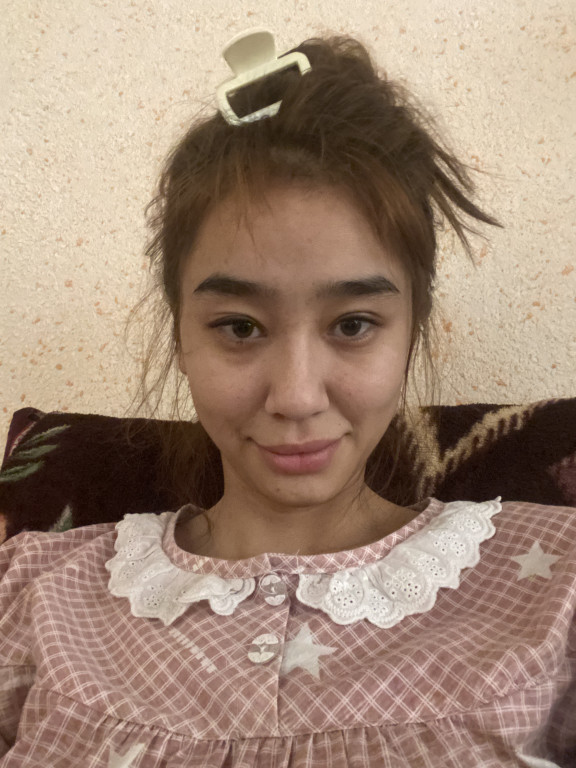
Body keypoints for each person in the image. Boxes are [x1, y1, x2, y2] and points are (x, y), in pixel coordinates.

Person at [1, 29, 575, 768]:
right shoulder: (35, 597)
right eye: (240, 327)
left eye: (353, 325)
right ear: (180, 334)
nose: (297, 396)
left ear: (412, 330)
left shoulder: (553, 588)